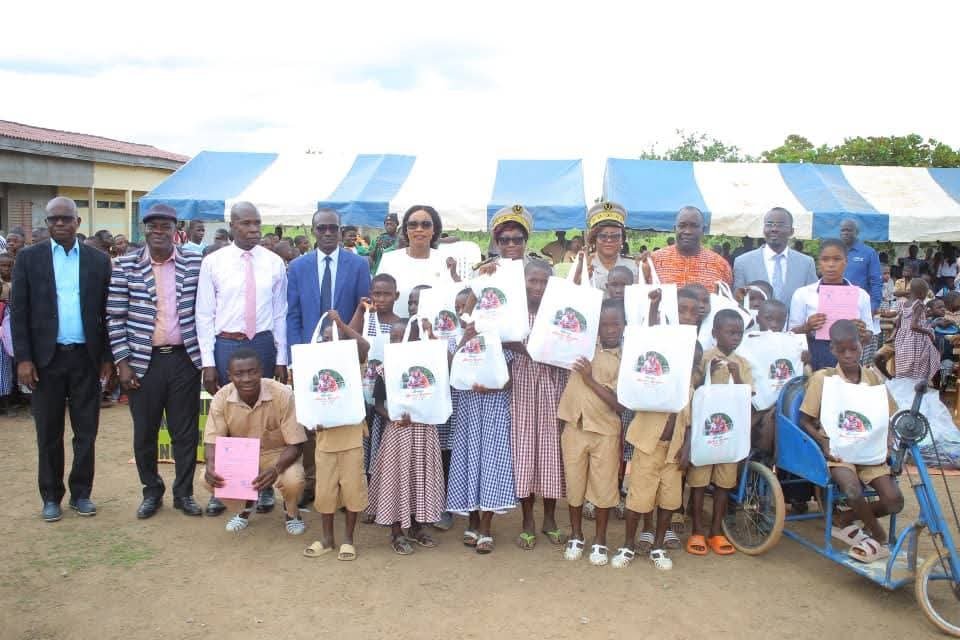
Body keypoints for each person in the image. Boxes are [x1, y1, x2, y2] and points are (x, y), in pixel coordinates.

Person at [11, 197, 113, 522]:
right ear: (46, 222)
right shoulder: (29, 259)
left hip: (85, 358)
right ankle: (51, 496)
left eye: (65, 219)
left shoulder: (98, 260)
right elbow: (20, 314)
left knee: (86, 432)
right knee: (48, 432)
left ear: (77, 222)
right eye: (53, 219)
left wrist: (108, 357)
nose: (59, 224)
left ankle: (81, 494)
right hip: (45, 361)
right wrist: (23, 359)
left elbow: (107, 313)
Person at [107, 204, 204, 519]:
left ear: (176, 230)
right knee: (145, 432)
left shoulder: (195, 262)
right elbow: (115, 316)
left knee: (185, 432)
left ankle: (184, 493)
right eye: (152, 226)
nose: (158, 231)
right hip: (142, 361)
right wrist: (122, 362)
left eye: (165, 226)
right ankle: (151, 492)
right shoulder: (125, 265)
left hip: (183, 360)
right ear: (144, 230)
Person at [196, 201, 289, 516]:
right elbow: (204, 314)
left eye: (257, 223)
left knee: (263, 417)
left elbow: (280, 313)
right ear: (232, 225)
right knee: (228, 418)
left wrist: (281, 356)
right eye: (246, 224)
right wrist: (208, 360)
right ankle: (223, 488)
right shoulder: (214, 262)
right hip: (226, 344)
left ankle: (260, 489)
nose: (253, 230)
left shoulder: (275, 262)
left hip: (262, 343)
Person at [798, 320, 903, 562]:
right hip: (839, 451)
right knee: (852, 488)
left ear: (861, 346)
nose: (848, 355)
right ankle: (878, 535)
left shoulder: (873, 379)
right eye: (841, 350)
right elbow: (805, 420)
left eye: (853, 349)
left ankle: (845, 517)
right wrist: (824, 445)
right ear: (832, 350)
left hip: (870, 449)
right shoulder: (822, 379)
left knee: (894, 501)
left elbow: (886, 417)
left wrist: (888, 441)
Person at [287, 208, 371, 508]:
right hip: (309, 357)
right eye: (321, 228)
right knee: (313, 420)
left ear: (340, 231)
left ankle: (348, 487)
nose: (326, 233)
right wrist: (295, 359)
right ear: (313, 231)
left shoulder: (359, 265)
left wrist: (351, 348)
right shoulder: (297, 267)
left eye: (332, 229)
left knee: (345, 417)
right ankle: (315, 484)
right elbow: (293, 315)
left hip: (345, 356)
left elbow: (364, 309)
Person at [614, 341, 702, 570]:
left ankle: (658, 546)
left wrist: (687, 449)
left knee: (669, 501)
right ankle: (628, 545)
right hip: (648, 448)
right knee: (639, 500)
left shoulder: (689, 388)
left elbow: (691, 423)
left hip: (674, 452)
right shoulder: (651, 380)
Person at [203, 349, 307, 535]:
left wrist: (276, 469)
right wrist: (211, 463)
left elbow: (296, 444)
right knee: (207, 477)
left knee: (293, 480)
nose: (247, 378)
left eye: (252, 372)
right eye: (239, 374)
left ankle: (292, 513)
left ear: (261, 371)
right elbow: (212, 439)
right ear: (230, 375)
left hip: (278, 454)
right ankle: (243, 509)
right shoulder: (221, 397)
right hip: (240, 457)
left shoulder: (283, 394)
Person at [503, 260, 568, 550]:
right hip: (520, 392)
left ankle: (550, 518)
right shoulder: (511, 315)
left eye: (544, 282)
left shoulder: (559, 315)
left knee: (552, 455)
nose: (538, 287)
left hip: (552, 391)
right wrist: (520, 347)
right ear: (523, 282)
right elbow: (498, 341)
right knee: (524, 455)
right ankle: (528, 520)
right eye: (533, 281)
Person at [366, 320, 446, 555]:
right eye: (394, 338)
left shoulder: (430, 366)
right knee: (397, 478)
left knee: (421, 477)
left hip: (425, 431)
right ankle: (397, 530)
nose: (399, 342)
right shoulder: (385, 368)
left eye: (405, 338)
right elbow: (378, 403)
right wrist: (393, 416)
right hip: (398, 431)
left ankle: (417, 526)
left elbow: (438, 397)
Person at [557, 299, 626, 567]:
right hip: (574, 427)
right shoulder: (581, 347)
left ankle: (600, 539)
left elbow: (620, 404)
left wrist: (589, 379)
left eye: (615, 324)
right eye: (604, 324)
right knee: (574, 485)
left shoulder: (627, 359)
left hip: (605, 431)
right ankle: (576, 535)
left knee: (604, 488)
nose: (610, 329)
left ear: (624, 326)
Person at [302, 312, 370, 561]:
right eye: (327, 338)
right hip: (325, 440)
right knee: (325, 492)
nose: (332, 342)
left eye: (337, 338)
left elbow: (365, 345)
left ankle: (349, 539)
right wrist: (311, 421)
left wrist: (341, 324)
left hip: (351, 437)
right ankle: (327, 539)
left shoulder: (354, 363)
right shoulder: (312, 366)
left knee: (352, 489)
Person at [684, 309, 752, 557]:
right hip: (705, 432)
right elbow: (695, 392)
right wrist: (709, 374)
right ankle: (697, 530)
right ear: (715, 333)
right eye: (730, 332)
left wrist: (735, 374)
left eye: (739, 333)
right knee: (700, 483)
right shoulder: (705, 358)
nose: (736, 337)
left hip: (729, 434)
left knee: (724, 484)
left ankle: (716, 531)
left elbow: (747, 397)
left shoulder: (742, 363)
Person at [445, 318, 516, 555]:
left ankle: (486, 527)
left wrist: (492, 388)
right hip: (468, 410)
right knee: (469, 462)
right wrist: (466, 339)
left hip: (493, 410)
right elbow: (450, 368)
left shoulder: (500, 340)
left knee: (490, 464)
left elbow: (510, 380)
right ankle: (472, 521)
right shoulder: (458, 341)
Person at [789, 239, 874, 371]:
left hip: (848, 361)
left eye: (837, 259)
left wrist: (862, 332)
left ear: (846, 261)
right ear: (819, 263)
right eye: (825, 259)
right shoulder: (802, 294)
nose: (831, 265)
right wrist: (807, 327)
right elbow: (790, 334)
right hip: (814, 360)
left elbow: (869, 336)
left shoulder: (861, 295)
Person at [378, 205, 456, 317]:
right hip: (395, 331)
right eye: (413, 225)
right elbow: (378, 299)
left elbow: (455, 299)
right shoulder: (389, 260)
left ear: (434, 230)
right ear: (406, 229)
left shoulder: (446, 261)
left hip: (435, 331)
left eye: (426, 225)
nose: (419, 229)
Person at [733, 207, 818, 305]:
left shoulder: (806, 263)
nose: (774, 229)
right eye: (769, 225)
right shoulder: (743, 262)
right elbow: (738, 302)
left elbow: (812, 300)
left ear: (791, 231)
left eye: (780, 225)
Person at [647, 206, 733, 289]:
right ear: (674, 229)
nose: (687, 231)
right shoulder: (654, 261)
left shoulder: (721, 265)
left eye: (694, 226)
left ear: (703, 230)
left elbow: (727, 301)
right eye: (682, 226)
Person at [573, 202, 637, 289]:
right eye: (603, 236)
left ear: (622, 240)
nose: (609, 240)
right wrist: (576, 285)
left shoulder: (634, 267)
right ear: (594, 239)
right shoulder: (583, 266)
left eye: (615, 236)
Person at [890, 278, 941, 383]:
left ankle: (904, 387)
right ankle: (918, 385)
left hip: (903, 340)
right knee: (926, 361)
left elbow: (897, 323)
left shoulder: (903, 303)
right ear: (922, 293)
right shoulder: (919, 305)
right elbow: (913, 325)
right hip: (916, 340)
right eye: (926, 294)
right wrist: (929, 332)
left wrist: (893, 336)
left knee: (905, 365)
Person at [840, 218, 882, 315]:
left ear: (857, 232)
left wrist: (874, 305)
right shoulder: (836, 251)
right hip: (836, 304)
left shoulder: (869, 253)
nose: (845, 233)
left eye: (849, 230)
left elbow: (876, 281)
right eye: (843, 230)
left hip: (859, 306)